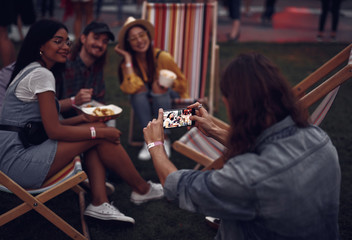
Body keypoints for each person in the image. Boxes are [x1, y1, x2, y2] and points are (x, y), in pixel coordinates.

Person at [143, 52, 341, 239]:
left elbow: (177, 187)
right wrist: (214, 130)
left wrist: (156, 144)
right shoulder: (319, 138)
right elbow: (268, 148)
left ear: (232, 104)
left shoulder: (247, 177)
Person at [0, 19, 164, 224]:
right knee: (99, 135)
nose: (65, 47)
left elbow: (45, 127)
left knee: (96, 130)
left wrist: (84, 119)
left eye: (67, 42)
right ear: (40, 44)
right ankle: (141, 189)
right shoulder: (41, 74)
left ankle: (101, 202)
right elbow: (54, 131)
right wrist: (99, 133)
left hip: (17, 154)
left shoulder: (34, 69)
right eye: (58, 41)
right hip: (18, 164)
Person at [114, 16, 188, 160]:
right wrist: (128, 59)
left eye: (142, 35)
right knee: (137, 92)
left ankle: (164, 137)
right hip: (146, 100)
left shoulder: (163, 57)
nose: (140, 40)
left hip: (171, 99)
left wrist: (167, 83)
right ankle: (149, 139)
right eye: (134, 38)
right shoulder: (127, 65)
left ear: (148, 35)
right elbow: (130, 88)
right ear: (128, 44)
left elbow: (182, 85)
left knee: (157, 86)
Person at [55, 21, 114, 118]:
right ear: (83, 38)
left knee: (110, 123)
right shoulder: (63, 65)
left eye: (105, 41)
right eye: (96, 38)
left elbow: (99, 99)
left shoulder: (97, 67)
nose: (100, 44)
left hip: (86, 118)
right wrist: (74, 101)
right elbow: (47, 107)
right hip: (60, 121)